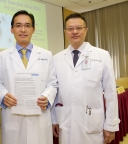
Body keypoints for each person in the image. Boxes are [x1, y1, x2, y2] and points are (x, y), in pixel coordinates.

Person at [51, 13, 120, 144]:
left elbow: (111, 93)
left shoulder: (102, 55)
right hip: (66, 123)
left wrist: (110, 125)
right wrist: (54, 119)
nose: (75, 32)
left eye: (79, 28)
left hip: (91, 123)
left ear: (86, 30)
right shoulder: (56, 59)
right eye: (70, 29)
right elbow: (54, 92)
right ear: (65, 32)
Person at [0, 10, 58, 144]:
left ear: (33, 29)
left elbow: (53, 83)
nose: (23, 30)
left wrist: (47, 97)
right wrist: (4, 95)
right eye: (18, 25)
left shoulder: (46, 54)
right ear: (12, 29)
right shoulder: (2, 56)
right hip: (13, 117)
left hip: (39, 115)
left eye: (27, 25)